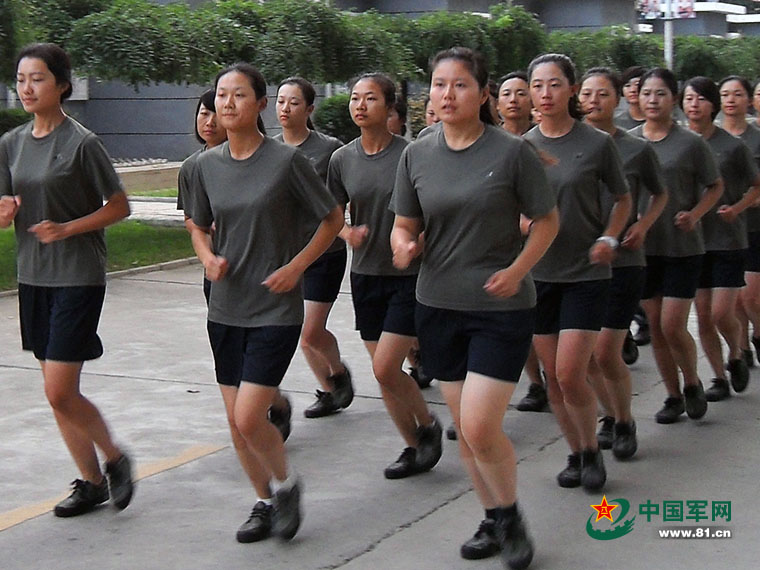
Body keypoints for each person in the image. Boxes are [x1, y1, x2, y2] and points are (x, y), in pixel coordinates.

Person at [392, 46, 558, 570]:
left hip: (500, 308)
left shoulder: (512, 153)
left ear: (483, 94)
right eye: (439, 85)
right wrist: (403, 245)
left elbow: (547, 221)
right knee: (466, 428)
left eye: (460, 85)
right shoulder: (417, 154)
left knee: (481, 426)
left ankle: (509, 516)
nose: (447, 94)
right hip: (438, 305)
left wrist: (517, 270)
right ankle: (492, 514)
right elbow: (406, 222)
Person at [189, 63, 343, 543]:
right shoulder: (201, 167)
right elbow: (197, 223)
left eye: (238, 95)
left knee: (248, 415)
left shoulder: (286, 162)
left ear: (260, 104)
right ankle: (264, 499)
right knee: (237, 424)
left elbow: (331, 219)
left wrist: (297, 267)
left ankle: (287, 486)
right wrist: (207, 257)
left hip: (275, 308)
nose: (227, 103)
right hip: (224, 307)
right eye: (220, 95)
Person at [0, 43, 134, 517]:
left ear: (61, 84)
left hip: (77, 275)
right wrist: (4, 212)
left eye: (37, 79)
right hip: (33, 276)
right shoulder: (10, 144)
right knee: (60, 396)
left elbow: (120, 206)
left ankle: (115, 458)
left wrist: (67, 227)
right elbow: (3, 205)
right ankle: (92, 481)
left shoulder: (82, 143)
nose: (26, 88)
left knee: (58, 390)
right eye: (20, 79)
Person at [524, 53, 632, 492]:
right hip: (539, 274)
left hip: (586, 273)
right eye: (537, 86)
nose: (545, 94)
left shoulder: (596, 143)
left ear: (572, 90)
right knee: (554, 378)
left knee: (571, 373)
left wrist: (610, 237)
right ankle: (579, 452)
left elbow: (623, 199)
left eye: (554, 85)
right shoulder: (523, 147)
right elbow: (512, 204)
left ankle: (597, 443)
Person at [328, 72, 443, 480]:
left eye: (370, 98)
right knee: (386, 373)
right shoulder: (342, 159)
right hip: (365, 274)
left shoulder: (413, 155)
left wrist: (415, 244)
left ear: (390, 107)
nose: (360, 105)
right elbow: (330, 214)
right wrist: (347, 232)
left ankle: (427, 424)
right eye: (355, 98)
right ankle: (416, 442)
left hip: (407, 275)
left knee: (384, 368)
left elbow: (436, 214)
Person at [578, 67, 668, 459]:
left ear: (619, 99)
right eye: (587, 93)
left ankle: (625, 420)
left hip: (623, 262)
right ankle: (610, 415)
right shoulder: (567, 144)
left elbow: (659, 194)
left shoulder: (636, 148)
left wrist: (643, 225)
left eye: (603, 94)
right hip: (576, 265)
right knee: (582, 358)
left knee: (604, 351)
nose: (593, 101)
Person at [629, 68, 723, 424]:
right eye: (646, 93)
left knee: (672, 324)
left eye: (661, 94)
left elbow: (714, 186)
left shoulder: (690, 143)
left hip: (682, 248)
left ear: (674, 100)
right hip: (641, 249)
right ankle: (673, 395)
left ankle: (693, 380)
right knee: (654, 324)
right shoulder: (629, 141)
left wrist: (696, 214)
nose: (652, 100)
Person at [274, 76, 354, 418]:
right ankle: (330, 389)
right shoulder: (269, 149)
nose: (285, 109)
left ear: (309, 108)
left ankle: (338, 376)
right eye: (280, 101)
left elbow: (344, 198)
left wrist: (350, 232)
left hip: (325, 253)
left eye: (293, 102)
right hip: (285, 255)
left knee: (309, 333)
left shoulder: (329, 148)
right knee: (298, 333)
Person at [684, 76, 759, 400]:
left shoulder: (733, 145)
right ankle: (717, 376)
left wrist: (738, 208)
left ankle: (737, 351)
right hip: (692, 241)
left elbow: (757, 186)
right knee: (702, 313)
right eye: (688, 99)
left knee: (720, 312)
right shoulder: (679, 142)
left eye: (701, 98)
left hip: (729, 238)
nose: (694, 105)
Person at [496, 70, 548, 413]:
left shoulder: (542, 143)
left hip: (543, 249)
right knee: (515, 326)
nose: (513, 99)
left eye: (520, 93)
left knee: (544, 325)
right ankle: (536, 383)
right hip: (498, 250)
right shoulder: (487, 144)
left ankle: (557, 377)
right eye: (506, 93)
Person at [723, 77, 760, 368]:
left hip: (755, 226)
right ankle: (741, 347)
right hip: (724, 231)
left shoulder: (756, 137)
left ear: (748, 100)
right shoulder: (711, 138)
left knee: (751, 296)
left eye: (738, 94)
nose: (731, 99)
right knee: (734, 300)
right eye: (725, 94)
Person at [615, 66, 647, 131]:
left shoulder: (658, 120)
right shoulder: (615, 123)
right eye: (627, 85)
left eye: (637, 85)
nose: (632, 90)